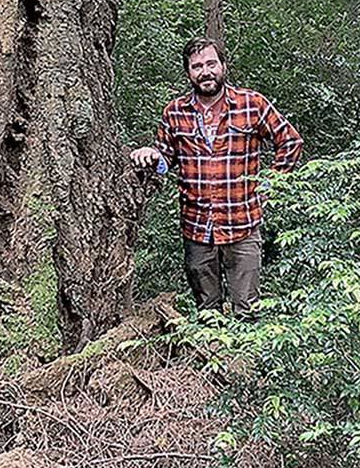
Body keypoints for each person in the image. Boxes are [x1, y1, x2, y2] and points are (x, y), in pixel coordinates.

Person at [130, 37, 303, 318]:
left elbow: (290, 142)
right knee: (206, 313)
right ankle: (208, 359)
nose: (205, 71)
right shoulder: (174, 112)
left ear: (223, 66)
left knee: (246, 313)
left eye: (211, 63)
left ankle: (242, 362)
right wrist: (151, 154)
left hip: (243, 223)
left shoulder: (252, 104)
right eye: (197, 66)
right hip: (197, 227)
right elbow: (166, 158)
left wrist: (269, 186)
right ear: (188, 73)